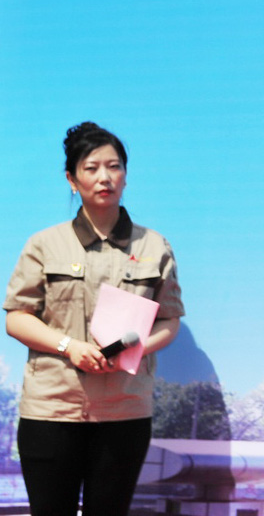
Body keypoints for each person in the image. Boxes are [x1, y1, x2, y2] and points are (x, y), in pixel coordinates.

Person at [3, 122, 184, 516]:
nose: (105, 177)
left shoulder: (155, 245)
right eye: (91, 167)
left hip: (124, 411)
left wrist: (135, 350)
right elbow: (17, 318)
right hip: (52, 410)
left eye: (114, 166)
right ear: (72, 179)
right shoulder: (44, 244)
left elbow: (169, 321)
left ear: (126, 175)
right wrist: (69, 346)